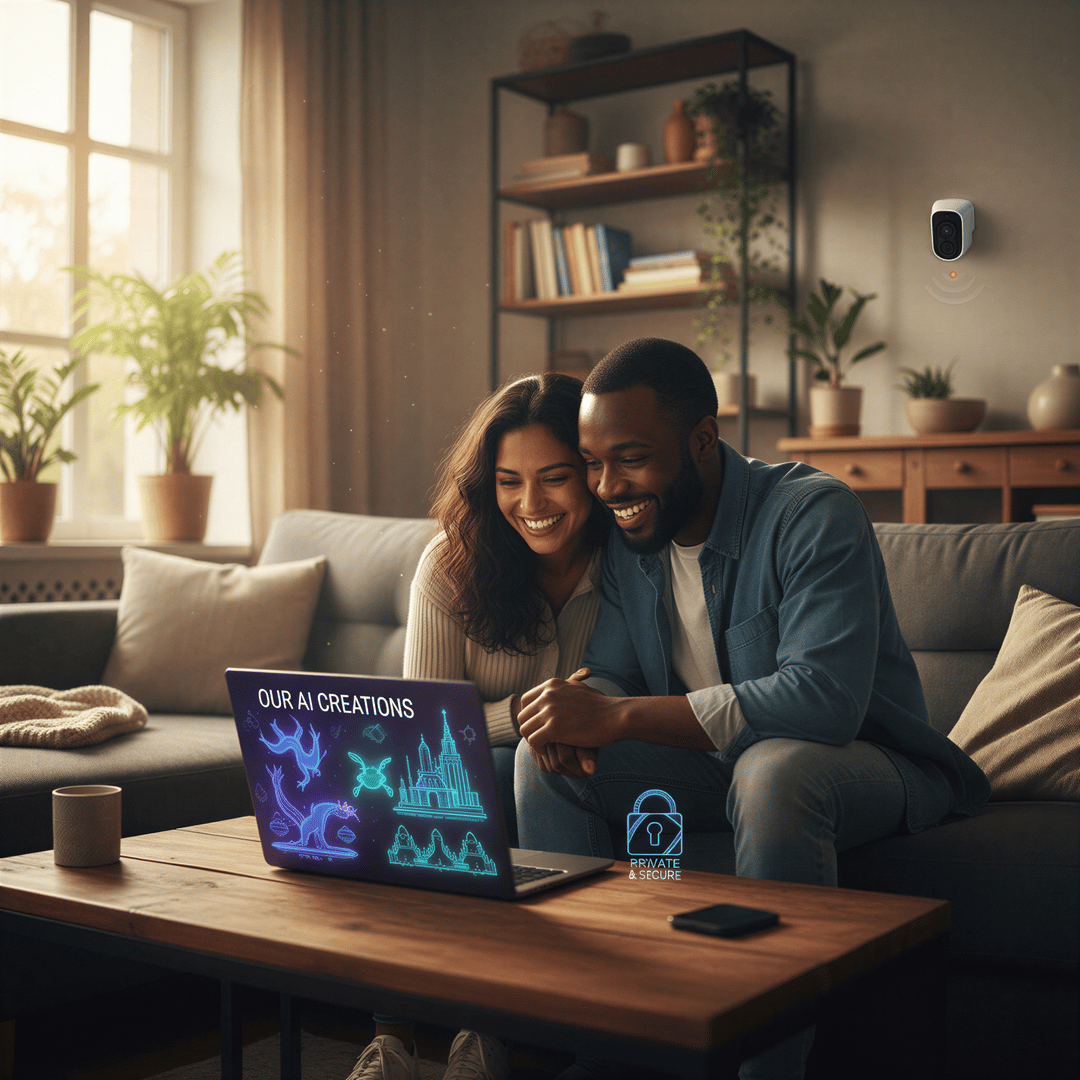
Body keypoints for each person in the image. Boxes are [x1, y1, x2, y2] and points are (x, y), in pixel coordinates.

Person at [514, 338, 990, 1080]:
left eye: (631, 457)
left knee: (774, 772)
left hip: (868, 760)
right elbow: (609, 670)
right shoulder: (633, 536)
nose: (606, 486)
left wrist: (619, 717)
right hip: (718, 766)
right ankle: (603, 1050)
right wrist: (581, 710)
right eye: (593, 461)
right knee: (538, 761)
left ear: (702, 440)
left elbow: (825, 702)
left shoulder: (811, 512)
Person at [347, 372, 609, 1080]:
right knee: (446, 783)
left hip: (587, 774)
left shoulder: (630, 567)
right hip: (479, 770)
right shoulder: (451, 564)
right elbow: (423, 727)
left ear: (592, 472)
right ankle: (392, 1046)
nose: (531, 504)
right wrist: (528, 716)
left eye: (554, 477)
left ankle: (483, 1034)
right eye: (508, 481)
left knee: (496, 772)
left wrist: (505, 727)